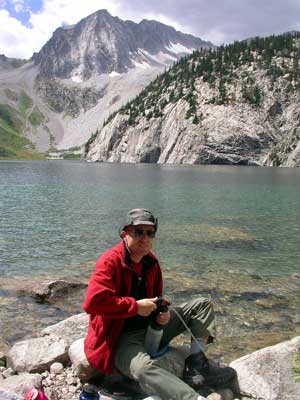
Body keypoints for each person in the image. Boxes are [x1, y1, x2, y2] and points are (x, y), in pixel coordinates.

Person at [82, 209, 236, 400]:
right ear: (124, 234)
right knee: (144, 368)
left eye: (150, 233)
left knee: (201, 305)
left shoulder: (151, 263)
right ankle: (193, 398)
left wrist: (162, 316)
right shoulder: (110, 262)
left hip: (150, 329)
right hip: (120, 338)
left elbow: (157, 299)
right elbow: (93, 302)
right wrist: (135, 307)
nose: (145, 238)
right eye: (138, 232)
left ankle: (196, 368)